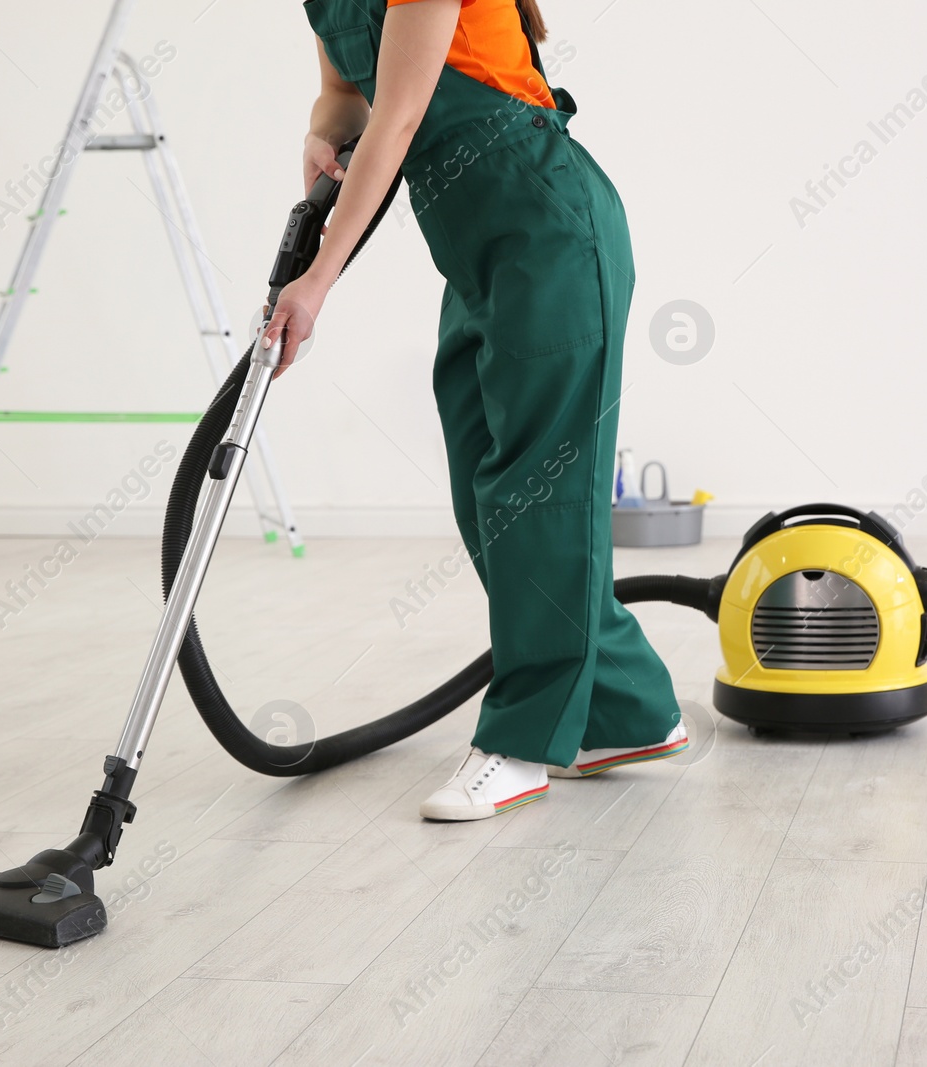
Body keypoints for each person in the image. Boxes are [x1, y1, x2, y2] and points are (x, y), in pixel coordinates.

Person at [265, 0, 686, 821]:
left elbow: (402, 114)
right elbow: (349, 98)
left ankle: (522, 744)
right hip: (476, 251)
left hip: (547, 223)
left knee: (536, 493)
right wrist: (321, 134)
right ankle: (630, 711)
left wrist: (317, 278)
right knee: (485, 490)